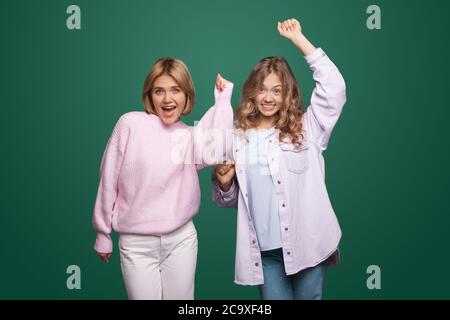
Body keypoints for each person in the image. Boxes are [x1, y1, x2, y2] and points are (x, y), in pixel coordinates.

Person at [212, 18, 346, 300]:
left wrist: (299, 40)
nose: (268, 98)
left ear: (287, 94)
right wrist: (224, 184)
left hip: (308, 244)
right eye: (262, 89)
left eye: (276, 90)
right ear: (252, 92)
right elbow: (231, 200)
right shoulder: (239, 137)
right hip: (265, 252)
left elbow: (334, 90)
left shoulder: (307, 128)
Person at [93, 57, 233, 300]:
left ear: (187, 96)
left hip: (181, 240)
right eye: (159, 91)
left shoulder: (189, 137)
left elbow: (218, 147)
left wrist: (222, 101)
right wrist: (103, 234)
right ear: (150, 96)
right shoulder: (130, 124)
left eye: (176, 90)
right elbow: (108, 179)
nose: (168, 99)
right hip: (136, 244)